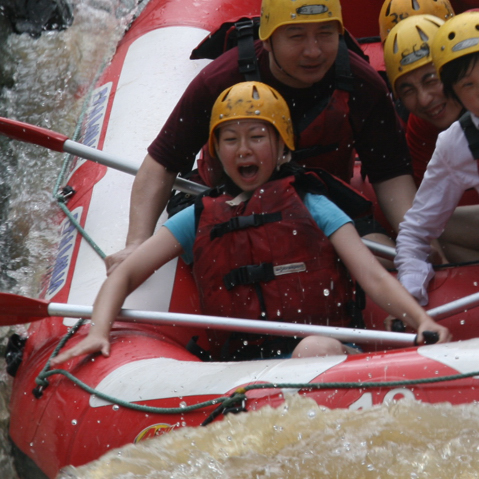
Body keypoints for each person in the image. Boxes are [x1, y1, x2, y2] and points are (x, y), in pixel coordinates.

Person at [51, 82, 450, 366]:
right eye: (229, 139)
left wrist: (422, 321)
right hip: (240, 369)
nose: (243, 149)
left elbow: (373, 278)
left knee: (313, 349)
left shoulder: (314, 205)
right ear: (216, 152)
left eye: (257, 136)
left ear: (281, 150)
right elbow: (125, 275)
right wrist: (99, 330)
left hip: (325, 351)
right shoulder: (198, 217)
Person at [105, 0, 418, 275]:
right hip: (230, 207)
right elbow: (162, 164)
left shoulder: (362, 83)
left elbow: (390, 173)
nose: (313, 51)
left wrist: (414, 243)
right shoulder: (221, 79)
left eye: (325, 34)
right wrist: (137, 244)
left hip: (320, 208)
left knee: (382, 253)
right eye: (297, 36)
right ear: (268, 40)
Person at [395, 11, 479, 306]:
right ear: (455, 93)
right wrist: (411, 291)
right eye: (469, 84)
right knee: (442, 227)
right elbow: (415, 233)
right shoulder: (455, 143)